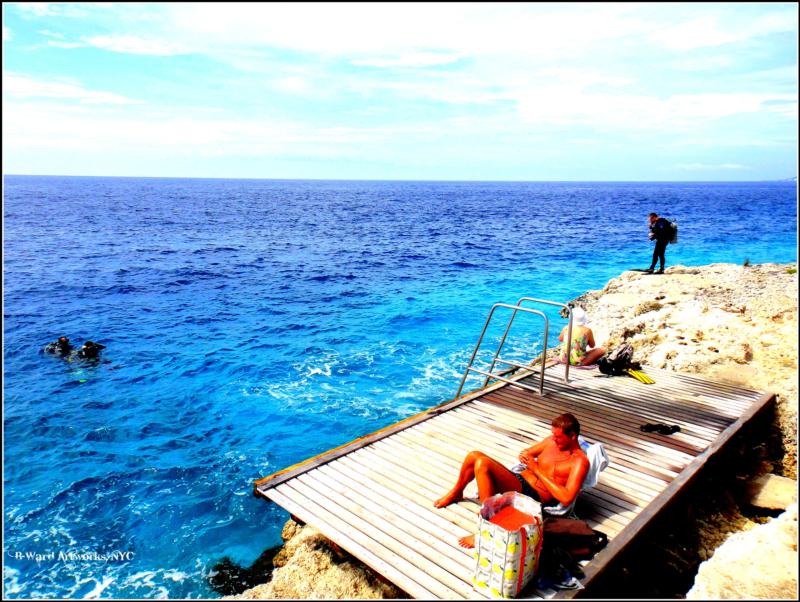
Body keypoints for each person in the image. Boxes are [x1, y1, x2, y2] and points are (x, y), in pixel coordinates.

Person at [433, 413, 590, 548]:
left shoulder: (579, 461)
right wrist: (526, 456)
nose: (554, 440)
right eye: (553, 435)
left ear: (572, 436)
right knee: (474, 455)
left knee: (482, 463)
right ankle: (457, 492)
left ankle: (486, 528)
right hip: (519, 480)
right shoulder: (551, 441)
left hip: (534, 496)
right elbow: (528, 453)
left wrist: (536, 469)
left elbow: (567, 497)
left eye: (558, 437)